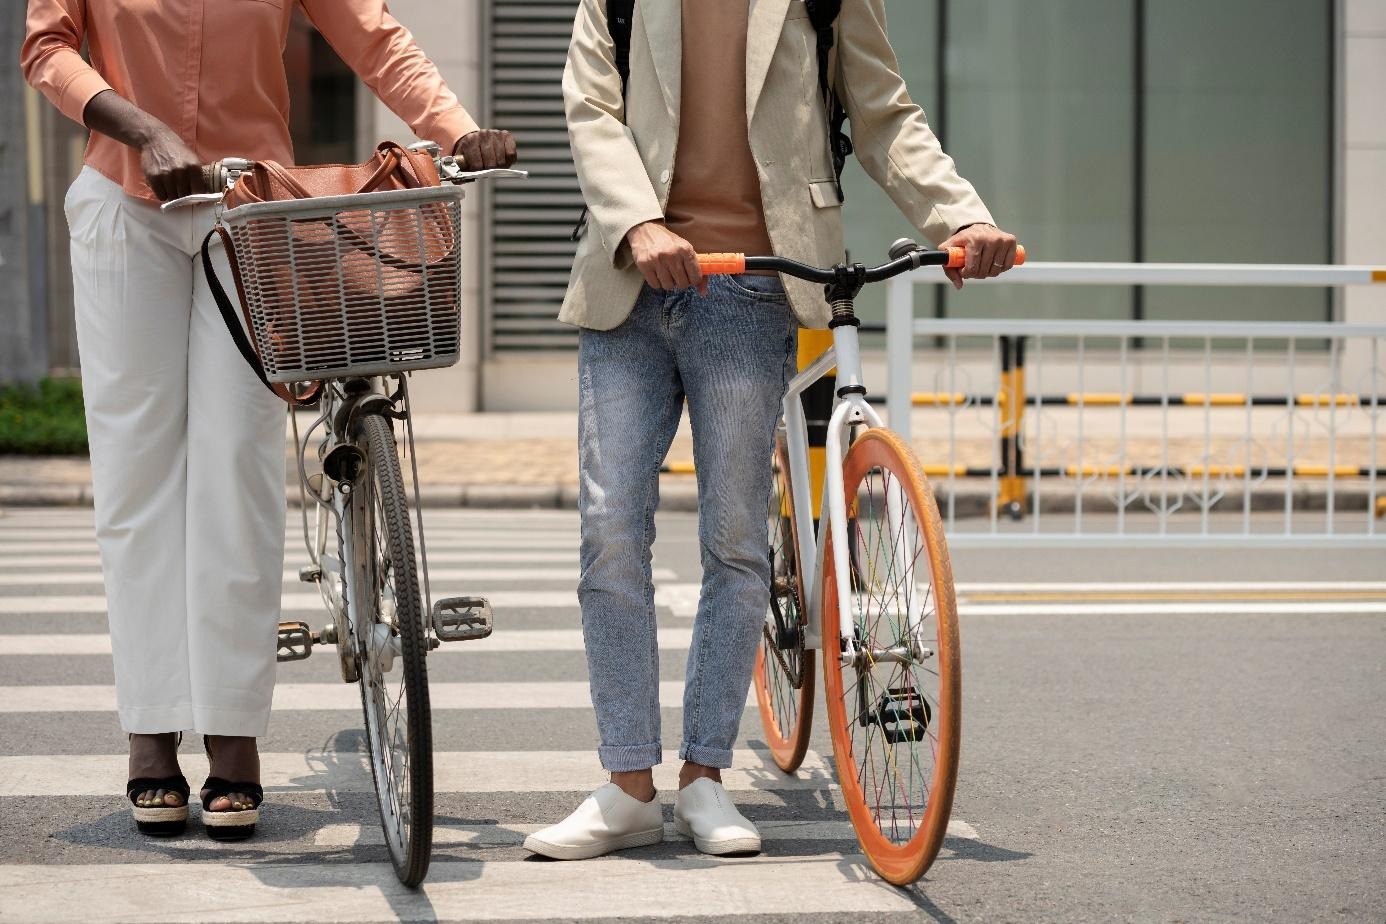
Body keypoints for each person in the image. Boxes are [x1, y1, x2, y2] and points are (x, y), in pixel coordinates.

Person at [525, 0, 1018, 860]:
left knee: (738, 540)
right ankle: (627, 785)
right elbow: (590, 106)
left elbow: (885, 111)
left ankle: (706, 777)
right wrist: (639, 222)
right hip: (628, 285)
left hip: (756, 284)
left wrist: (960, 216)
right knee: (608, 530)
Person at [21, 0, 516, 840]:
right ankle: (150, 732)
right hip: (122, 206)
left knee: (239, 470)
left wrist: (457, 126)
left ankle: (233, 734)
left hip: (249, 212)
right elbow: (47, 48)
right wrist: (142, 131)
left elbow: (371, 33)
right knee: (137, 478)